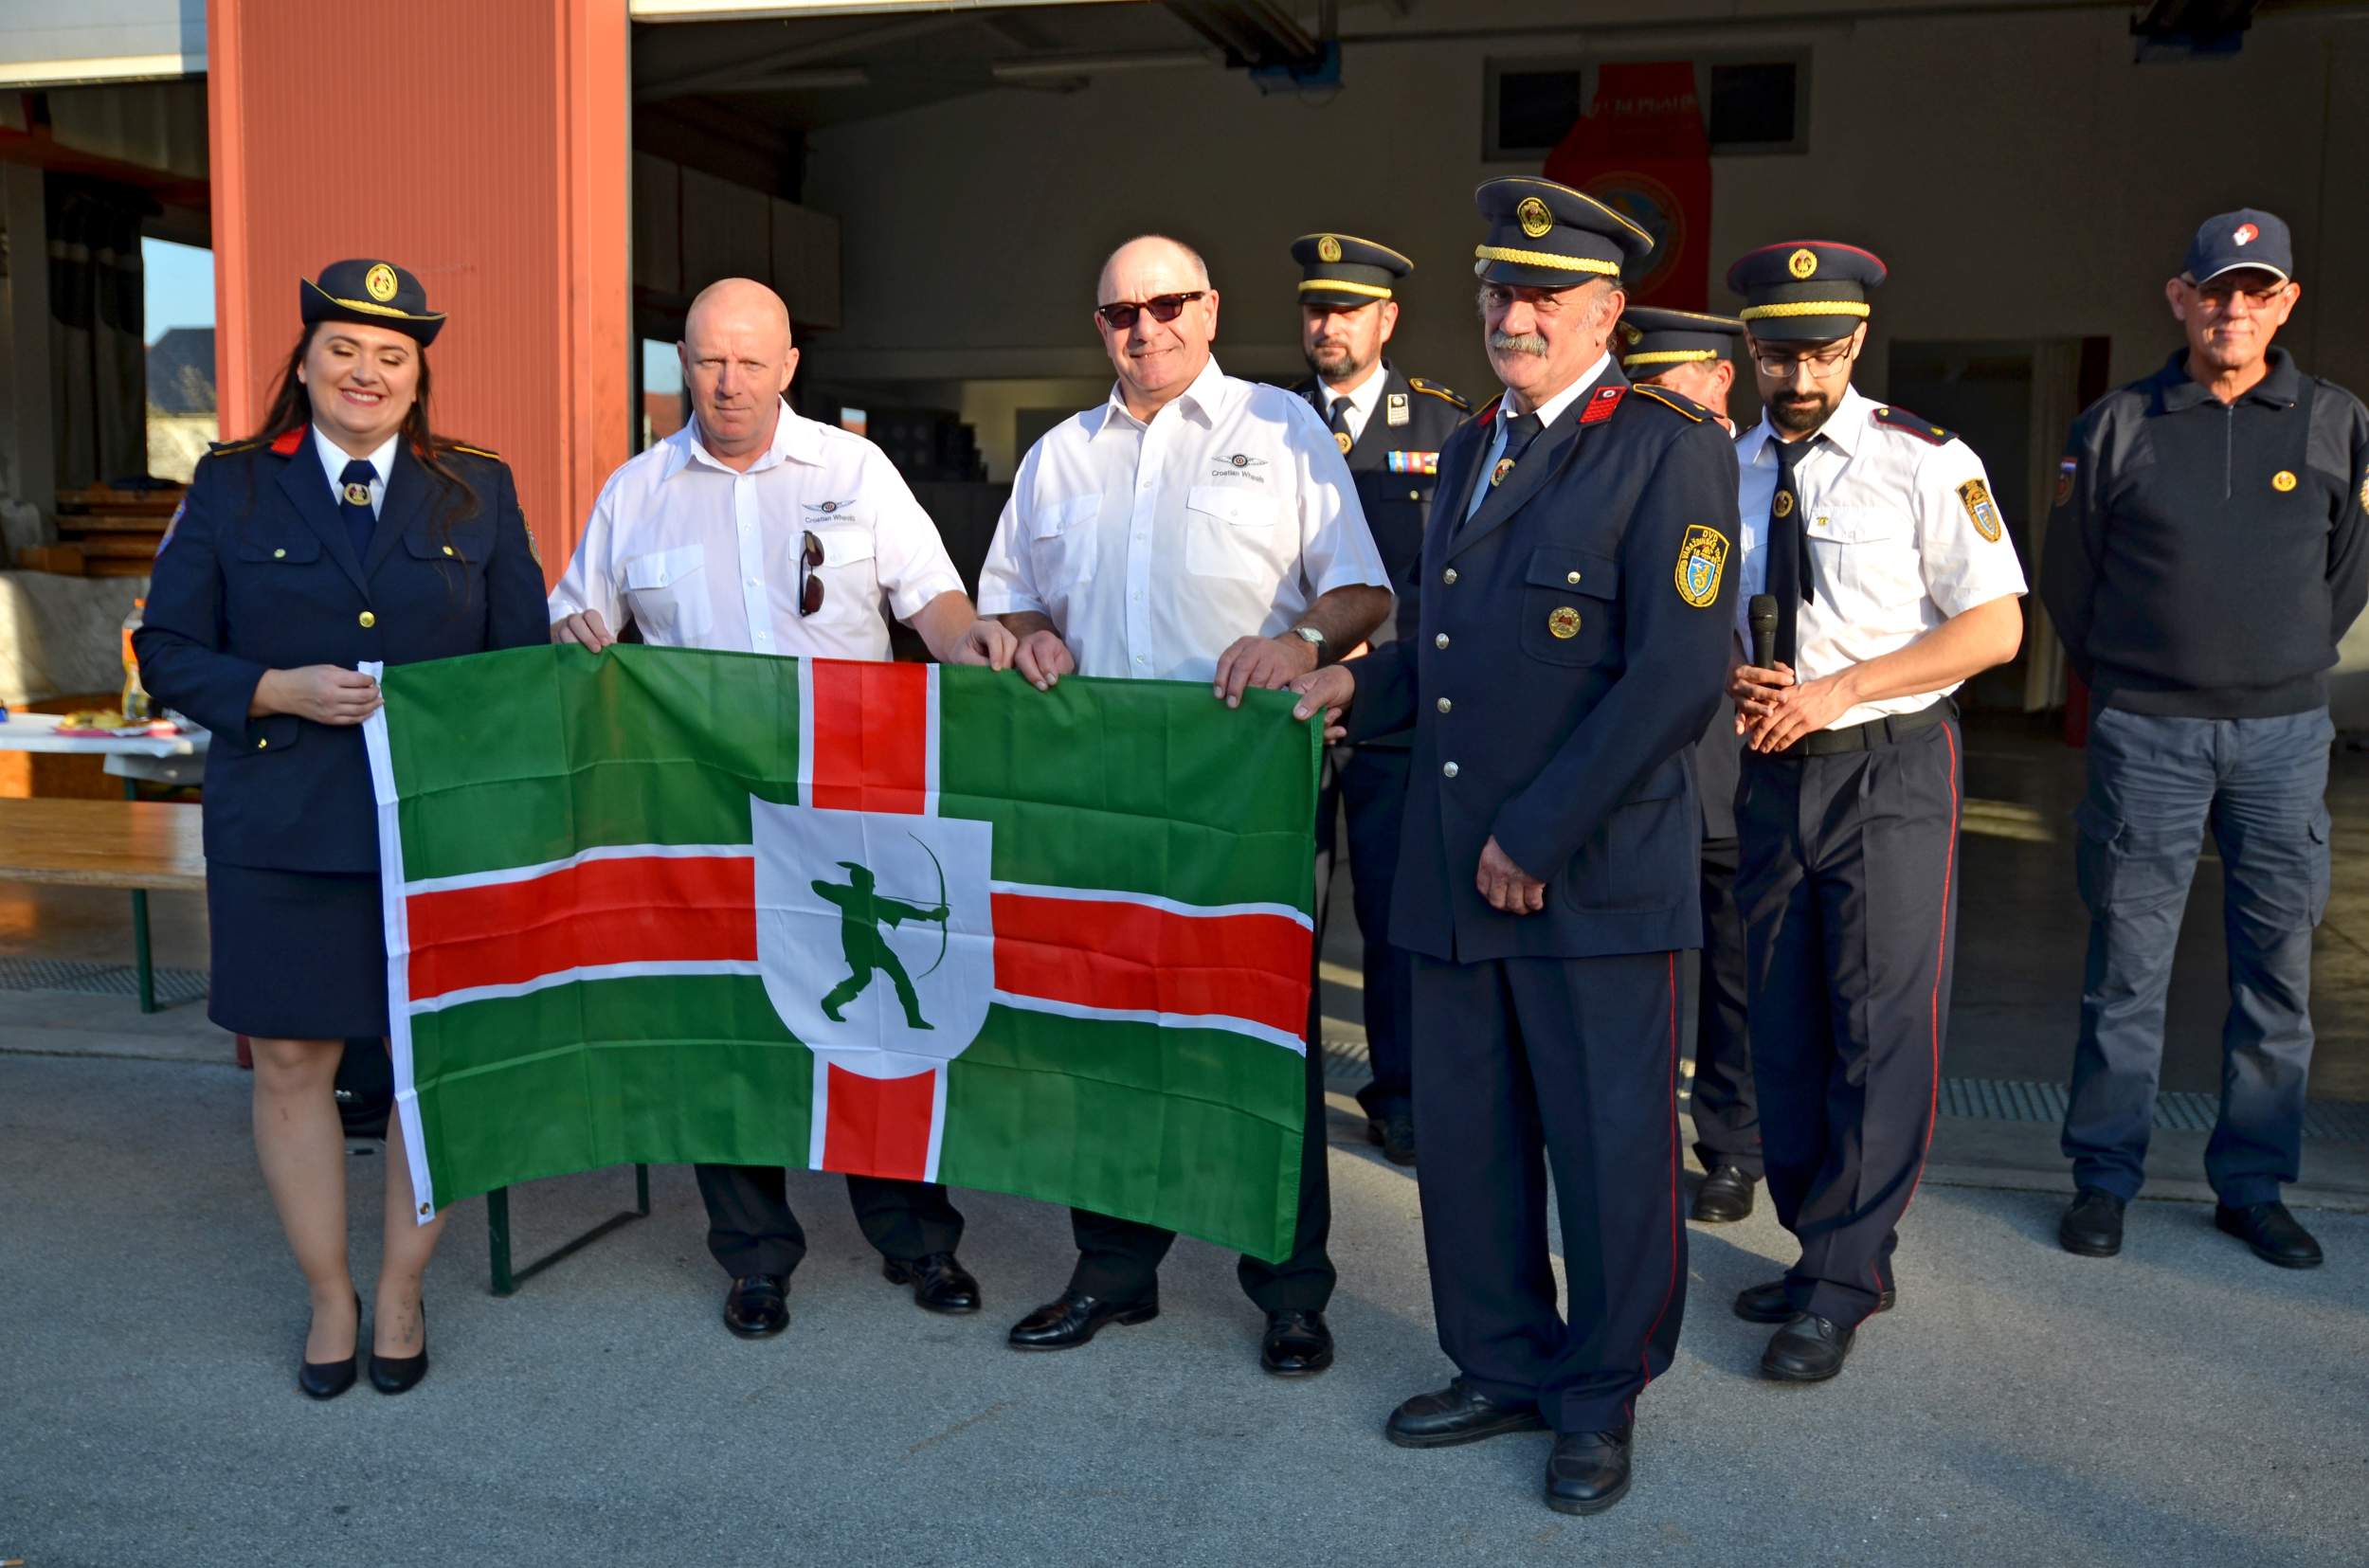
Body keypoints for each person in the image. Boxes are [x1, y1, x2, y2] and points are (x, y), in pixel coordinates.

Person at [1292, 177, 1739, 1516]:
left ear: (1609, 307)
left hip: (1587, 875)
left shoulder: (1667, 444)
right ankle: (1495, 1357)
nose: (1515, 311)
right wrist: (1343, 690)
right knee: (1473, 1140)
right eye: (1499, 288)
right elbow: (1437, 642)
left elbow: (1673, 675)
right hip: (1453, 863)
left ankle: (1599, 1396)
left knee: (1609, 1154)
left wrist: (1539, 831)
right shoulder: (1477, 437)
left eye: (1544, 292)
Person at [548, 278, 1015, 1338]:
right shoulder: (636, 491)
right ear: (682, 361)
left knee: (876, 1026)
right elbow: (580, 619)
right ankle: (755, 1257)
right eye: (710, 361)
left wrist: (967, 640)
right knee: (730, 1034)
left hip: (851, 803)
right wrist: (574, 633)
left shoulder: (856, 472)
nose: (728, 383)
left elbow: (929, 598)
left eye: (751, 362)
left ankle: (918, 1239)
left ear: (788, 367)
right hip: (705, 809)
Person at [976, 233, 1390, 1378]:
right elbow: (1000, 607)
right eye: (1120, 313)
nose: (1145, 329)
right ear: (1098, 324)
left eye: (1167, 305)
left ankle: (1289, 1286)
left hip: (1241, 785)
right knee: (1102, 1032)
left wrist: (1298, 637)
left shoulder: (1282, 428)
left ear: (1210, 309)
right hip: (1099, 792)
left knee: (1258, 1035)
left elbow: (1363, 589)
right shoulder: (1060, 456)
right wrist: (1026, 636)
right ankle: (1114, 1268)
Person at [136, 259, 550, 1398]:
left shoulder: (477, 488)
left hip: (433, 827)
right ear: (306, 359)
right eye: (344, 348)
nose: (366, 371)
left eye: (392, 355)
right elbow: (163, 648)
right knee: (291, 1058)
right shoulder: (230, 488)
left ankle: (406, 1285)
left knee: (428, 1064)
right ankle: (331, 1292)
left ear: (418, 377)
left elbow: (521, 666)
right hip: (281, 822)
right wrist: (272, 688)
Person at [2039, 209, 2369, 1270]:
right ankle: (2103, 1178)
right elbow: (2070, 578)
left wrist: (2274, 661)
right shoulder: (2115, 427)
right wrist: (2138, 678)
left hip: (2282, 738)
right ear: (2179, 297)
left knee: (2275, 971)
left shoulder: (2333, 421)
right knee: (2125, 971)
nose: (2234, 308)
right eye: (2215, 288)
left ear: (2285, 303)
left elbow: (2347, 571)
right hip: (2148, 736)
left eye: (2256, 290)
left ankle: (2252, 1184)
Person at [1723, 242, 2026, 1383]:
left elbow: (1994, 628)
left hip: (1889, 765)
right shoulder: (1724, 466)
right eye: (1772, 350)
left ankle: (1849, 1270)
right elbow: (1697, 601)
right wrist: (1733, 678)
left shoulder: (1923, 461)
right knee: (1783, 1016)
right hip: (1769, 763)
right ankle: (1818, 1248)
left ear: (1854, 341)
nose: (1795, 374)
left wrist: (1836, 689)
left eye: (1817, 349)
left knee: (1877, 1018)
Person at [1287, 230, 1469, 1166]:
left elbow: (1459, 579)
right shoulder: (1265, 423)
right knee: (1289, 910)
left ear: (1385, 319)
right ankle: (1285, 1080)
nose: (1327, 323)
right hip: (1293, 713)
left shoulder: (1447, 428)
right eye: (1317, 306)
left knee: (1399, 918)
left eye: (1347, 308)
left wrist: (1376, 661)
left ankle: (1397, 1089)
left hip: (1399, 710)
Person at [1618, 307, 1762, 1222]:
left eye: (1676, 384)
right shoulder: (1614, 466)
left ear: (1720, 381)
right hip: (1637, 763)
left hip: (1741, 758)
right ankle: (1631, 1142)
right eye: (1646, 387)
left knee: (1738, 974)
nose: (1659, 403)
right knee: (1639, 972)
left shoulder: (1760, 472)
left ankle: (1733, 1146)